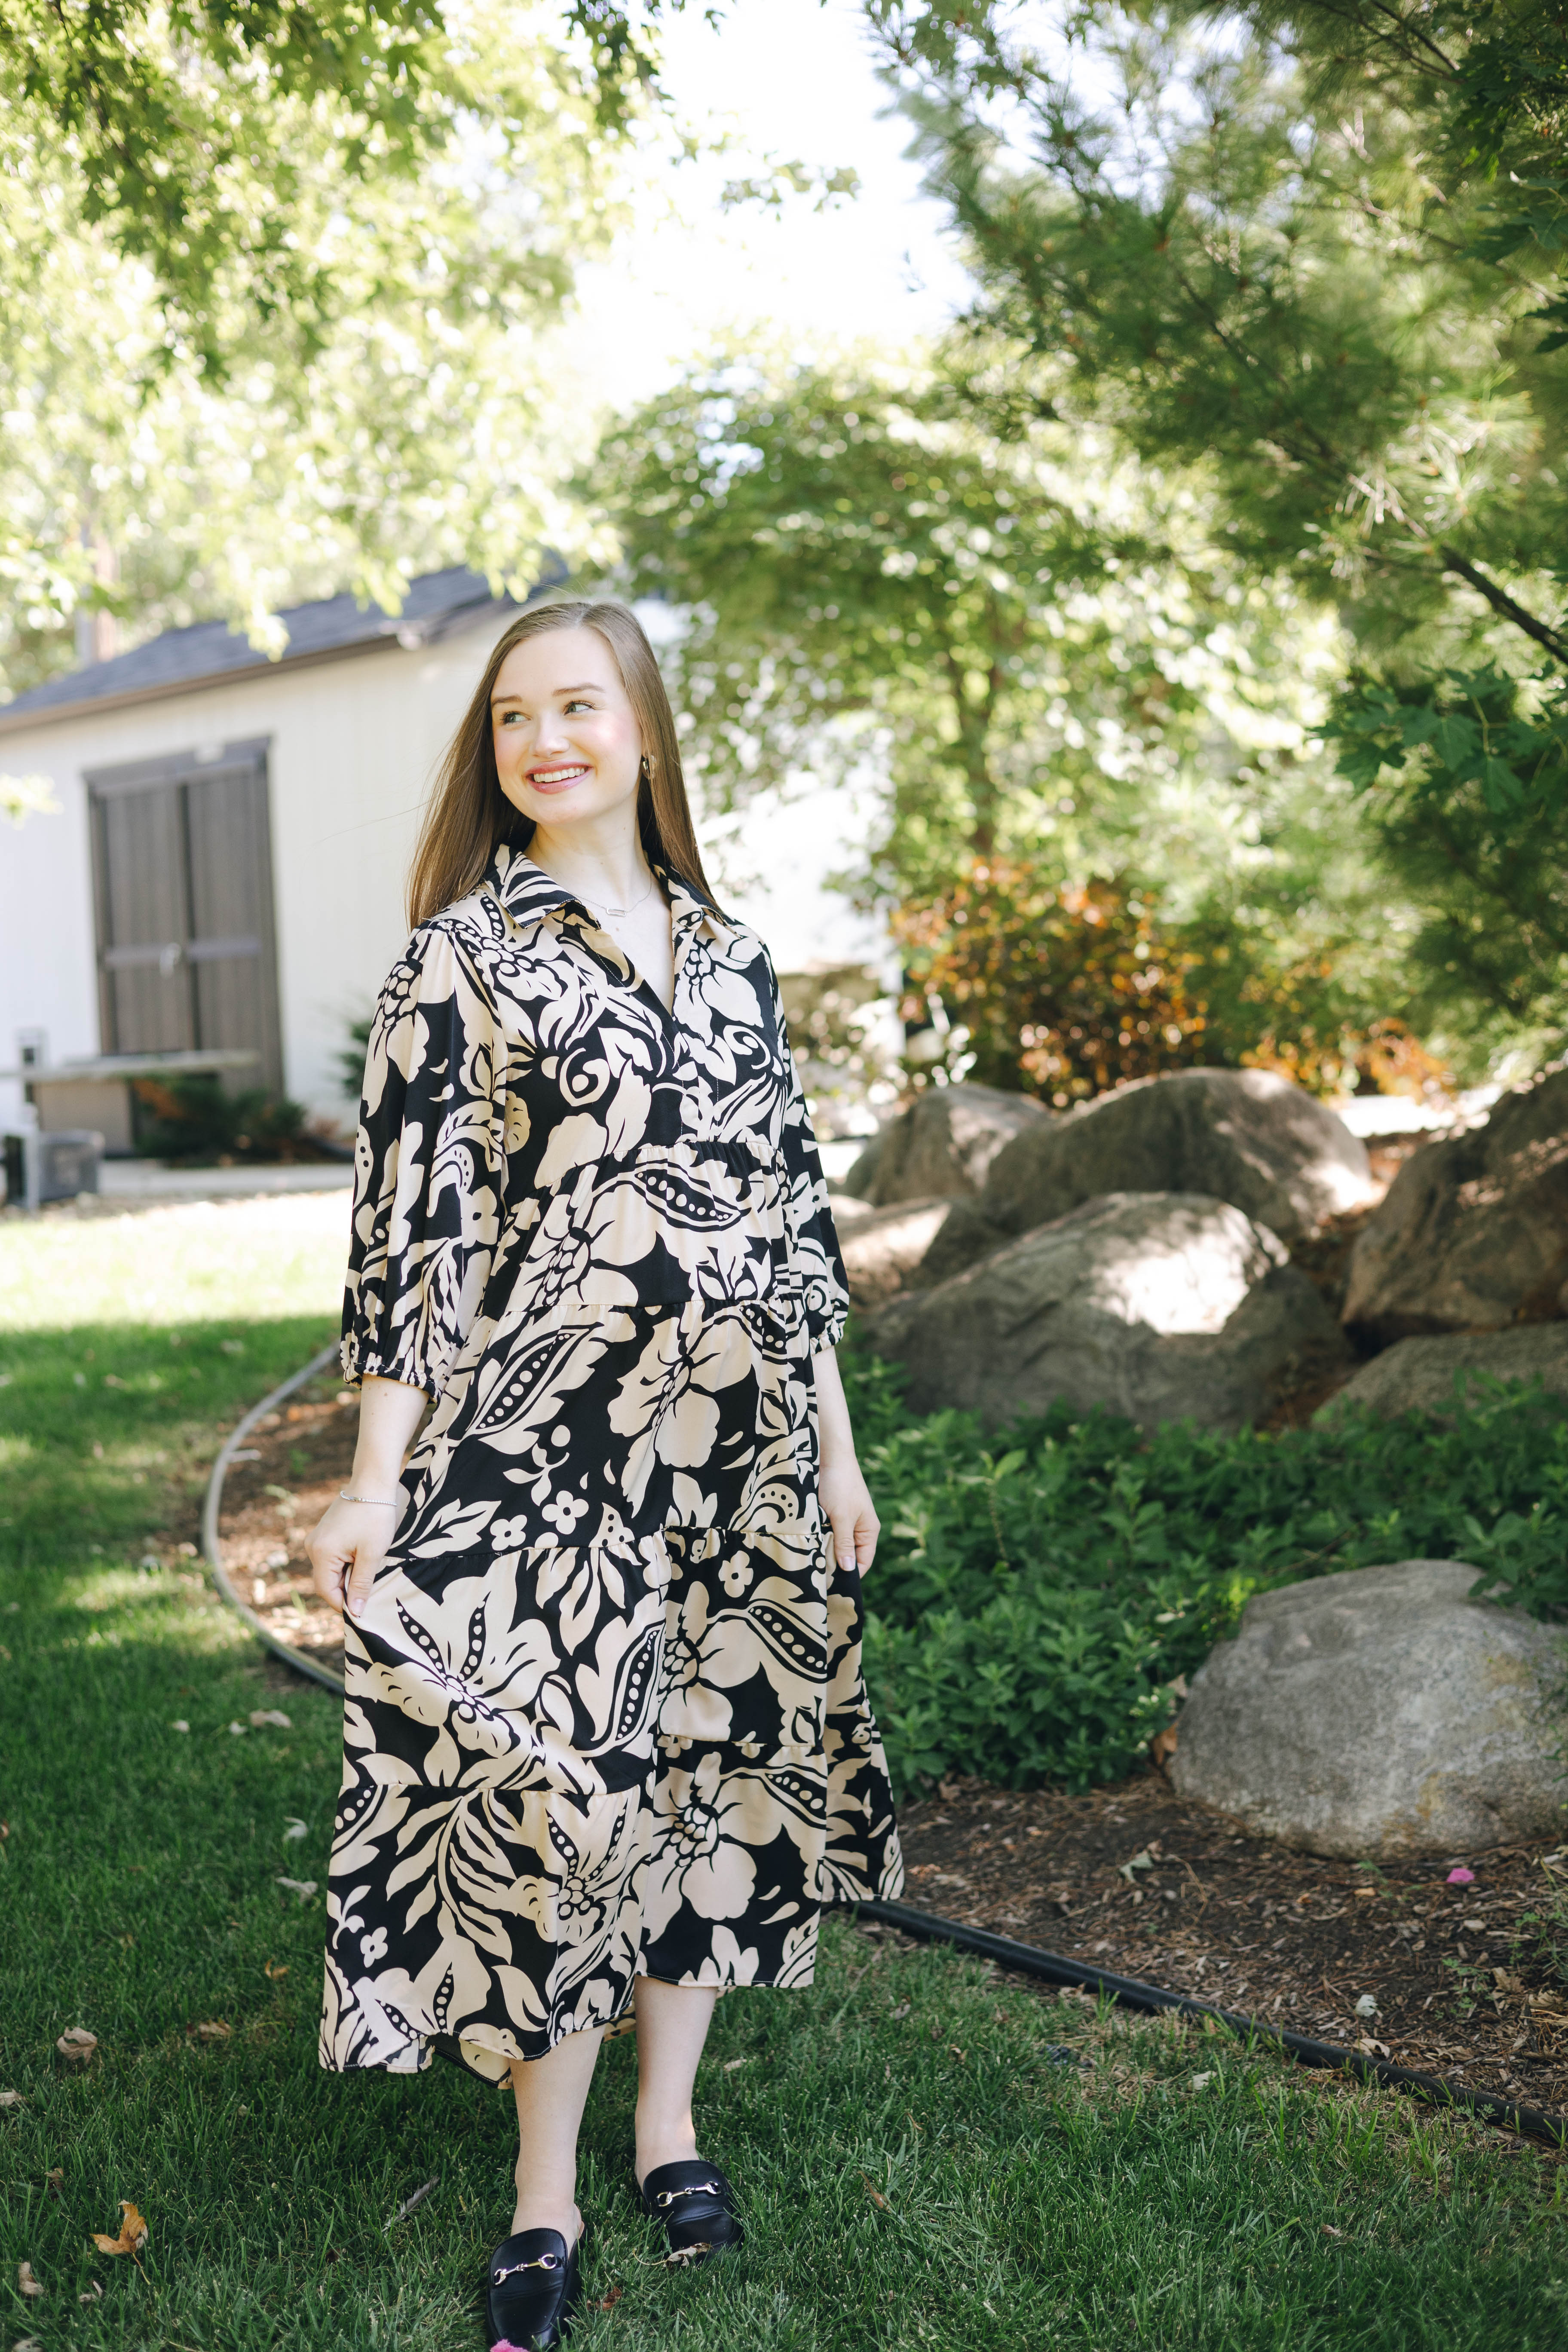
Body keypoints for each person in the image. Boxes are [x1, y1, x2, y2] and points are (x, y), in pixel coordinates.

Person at [306, 597, 903, 2349]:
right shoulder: (462, 962)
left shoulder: (734, 957)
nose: (545, 740)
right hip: (546, 1447)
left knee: (711, 1785)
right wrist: (369, 1484)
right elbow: (413, 1242)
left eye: (578, 706)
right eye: (512, 719)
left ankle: (670, 2125)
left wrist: (839, 1452)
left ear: (643, 729)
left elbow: (793, 1225)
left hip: (746, 1448)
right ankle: (547, 2185)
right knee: (555, 1797)